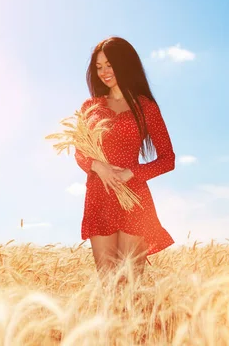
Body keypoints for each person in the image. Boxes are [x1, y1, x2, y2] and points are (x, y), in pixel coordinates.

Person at [74, 36, 175, 279]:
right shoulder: (90, 107)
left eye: (109, 65)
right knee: (108, 284)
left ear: (124, 64)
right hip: (99, 196)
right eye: (98, 67)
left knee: (130, 284)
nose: (104, 73)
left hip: (133, 197)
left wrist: (132, 173)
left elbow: (167, 159)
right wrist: (98, 166)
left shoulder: (145, 106)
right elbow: (80, 151)